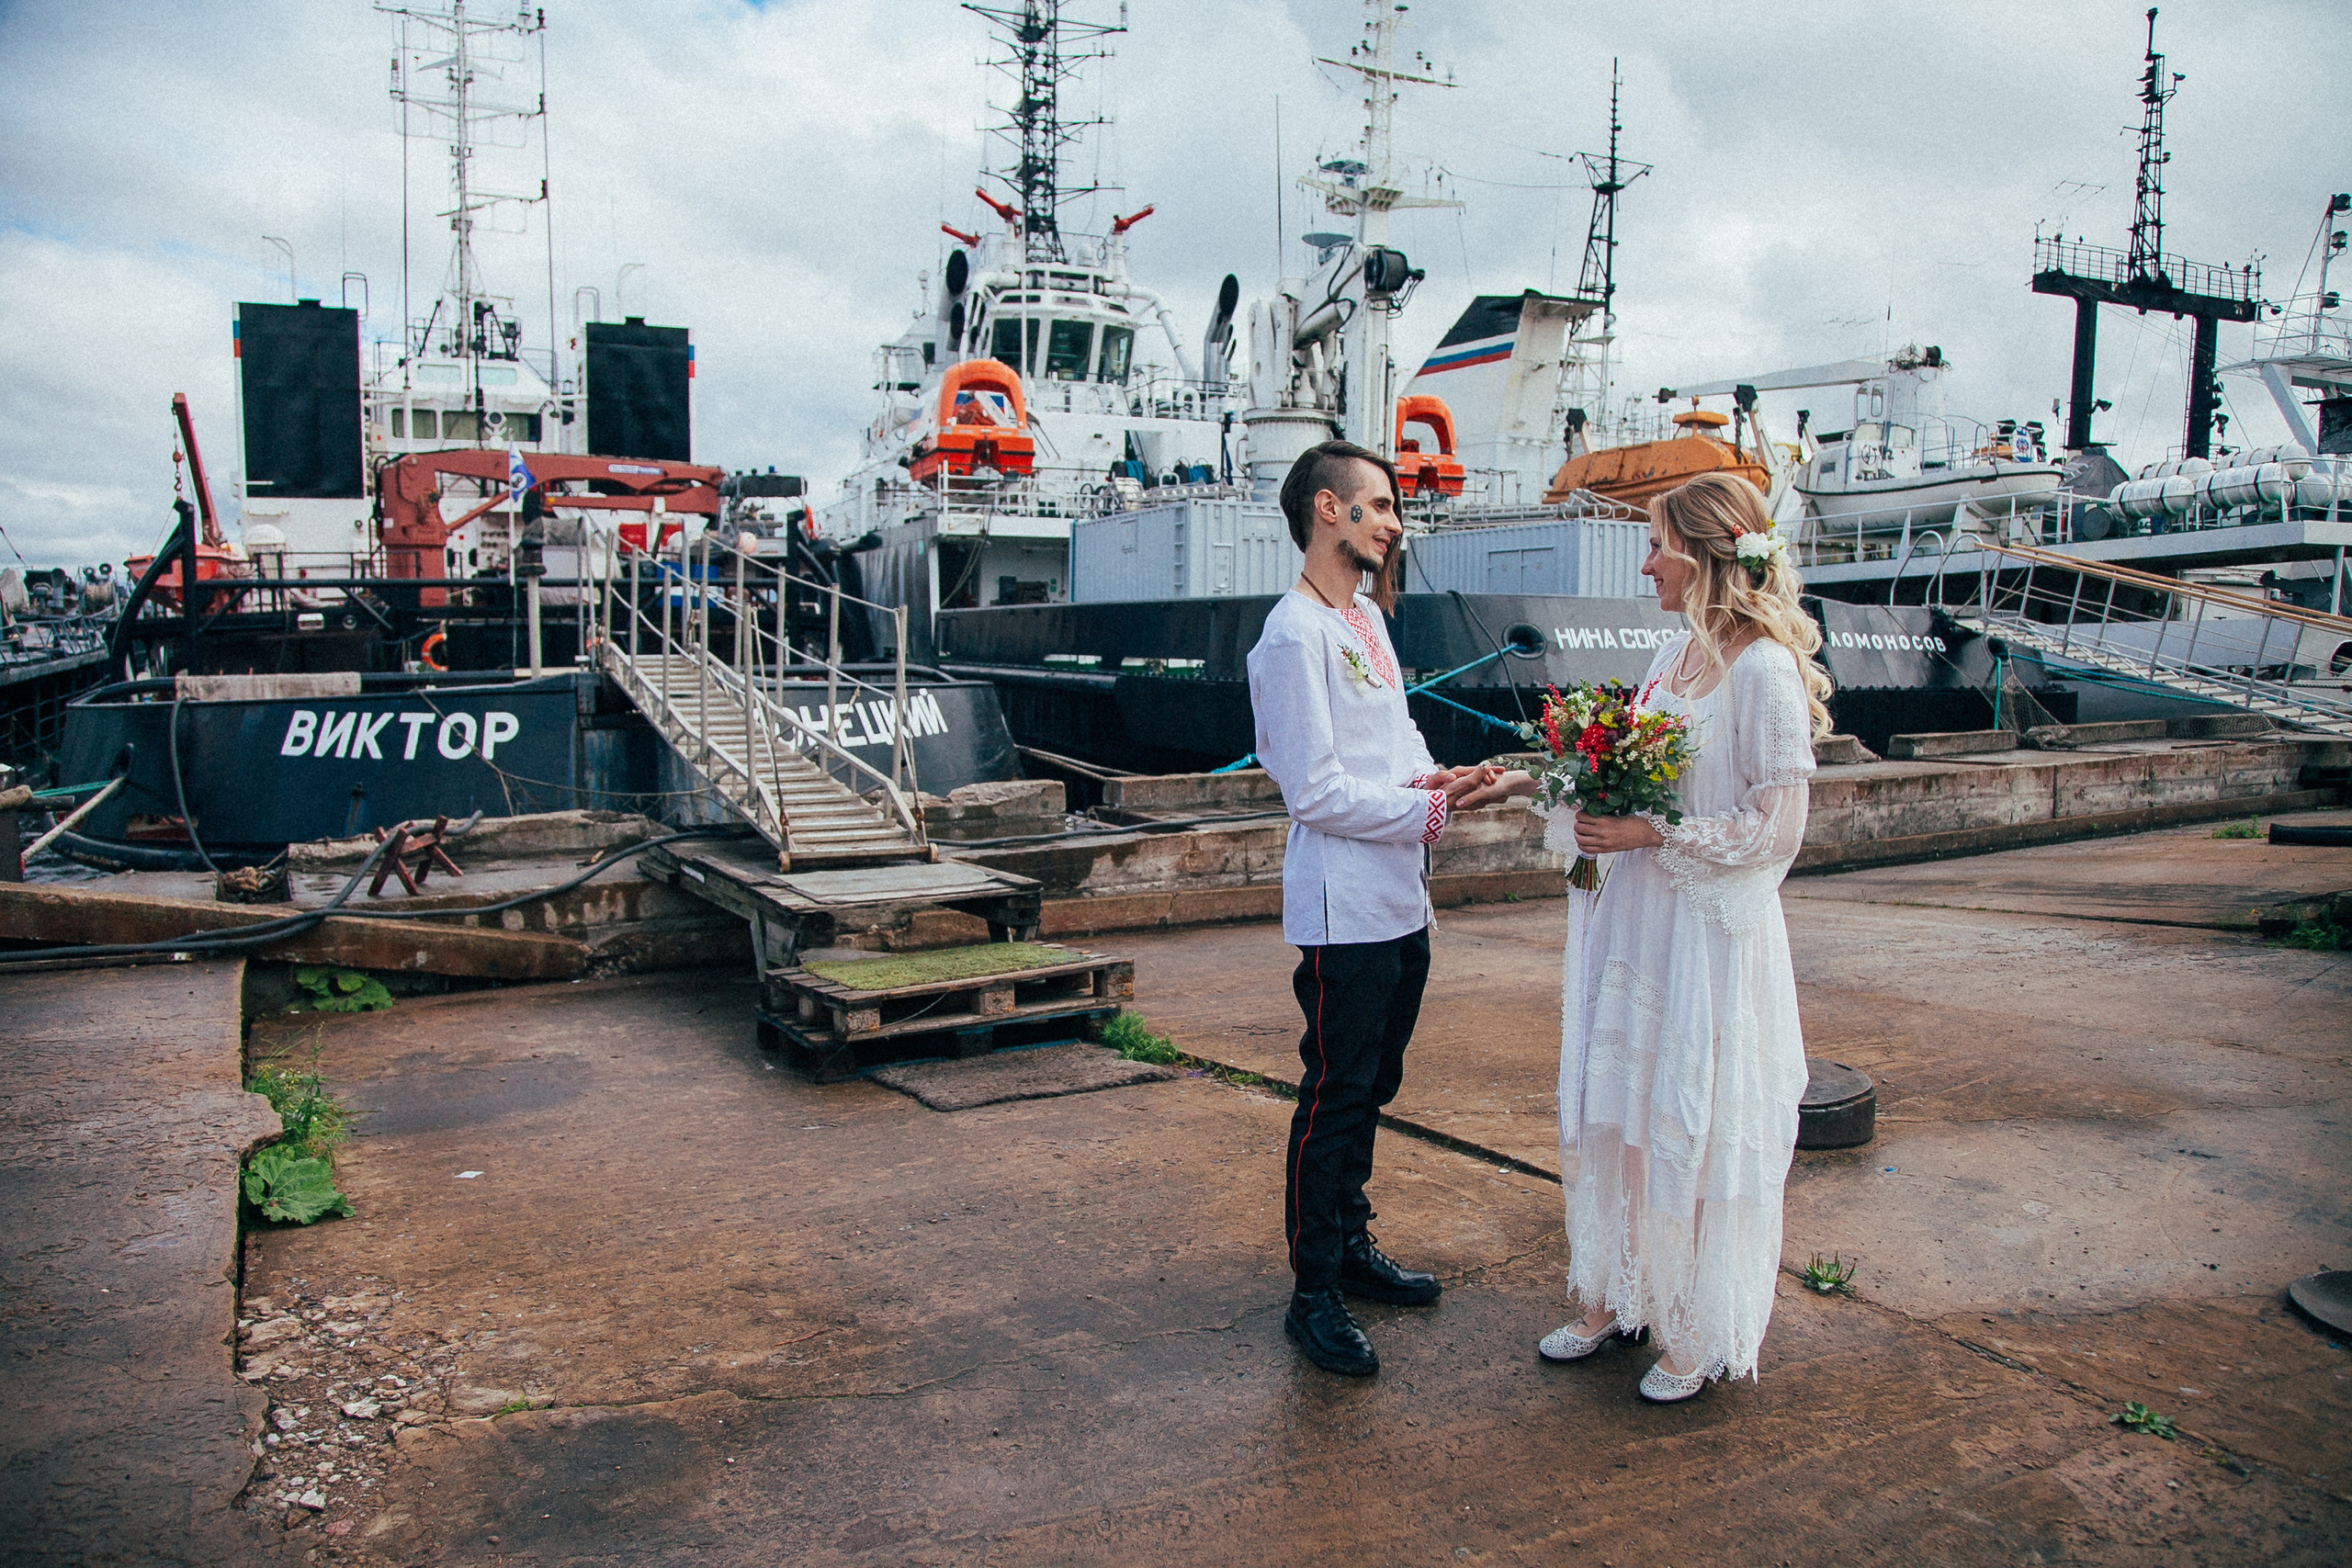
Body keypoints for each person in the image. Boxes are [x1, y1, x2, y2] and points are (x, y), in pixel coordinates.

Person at [1455, 469, 1834, 1403]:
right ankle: (1618, 1293)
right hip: (1637, 924)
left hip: (1702, 939)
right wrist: (1517, 783)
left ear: (1707, 556)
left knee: (1688, 1122)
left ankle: (1693, 1324)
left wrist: (1651, 836)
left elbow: (1773, 829)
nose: (1644, 562)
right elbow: (1622, 778)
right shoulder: (1676, 660)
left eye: (1656, 543)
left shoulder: (1764, 671)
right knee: (1619, 1108)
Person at [1246, 439, 1488, 1378]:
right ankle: (1312, 1292)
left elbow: (1395, 736)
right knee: (1333, 1098)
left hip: (1399, 902)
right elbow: (1313, 790)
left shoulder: (1364, 625)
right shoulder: (1291, 635)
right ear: (1326, 511)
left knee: (1373, 1087)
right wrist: (1427, 808)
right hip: (1342, 912)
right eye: (1378, 505)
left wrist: (1444, 778)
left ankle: (1348, 1242)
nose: (1393, 521)